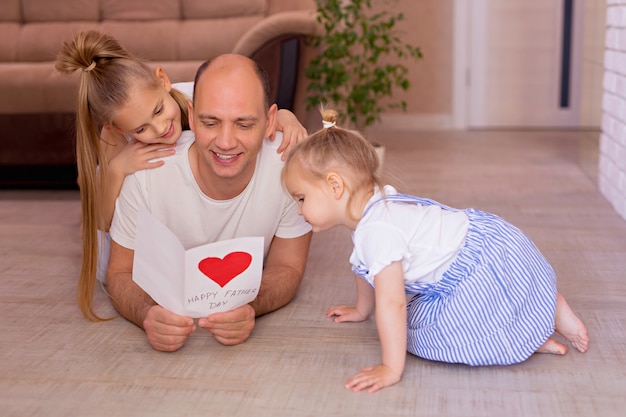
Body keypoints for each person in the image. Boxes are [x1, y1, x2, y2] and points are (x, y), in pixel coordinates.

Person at [281, 109, 590, 393]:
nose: (298, 210)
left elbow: (392, 302)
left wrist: (391, 367)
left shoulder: (378, 230)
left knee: (424, 333)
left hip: (479, 273)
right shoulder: (376, 206)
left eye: (302, 199)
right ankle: (542, 320)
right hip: (489, 242)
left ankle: (535, 322)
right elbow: (367, 268)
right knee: (436, 316)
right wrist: (362, 310)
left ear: (335, 186)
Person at [55, 30, 308, 321]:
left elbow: (245, 107)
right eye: (140, 130)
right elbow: (101, 221)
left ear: (164, 81)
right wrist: (116, 170)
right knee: (94, 219)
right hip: (113, 211)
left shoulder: (194, 93)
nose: (160, 128)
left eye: (160, 110)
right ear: (120, 130)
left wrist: (285, 116)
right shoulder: (114, 140)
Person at [105, 53, 312, 352]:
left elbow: (288, 266)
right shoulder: (144, 175)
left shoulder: (292, 173)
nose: (225, 142)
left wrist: (249, 304)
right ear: (190, 116)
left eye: (243, 124)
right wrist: (146, 313)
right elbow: (119, 272)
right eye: (211, 122)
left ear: (269, 122)